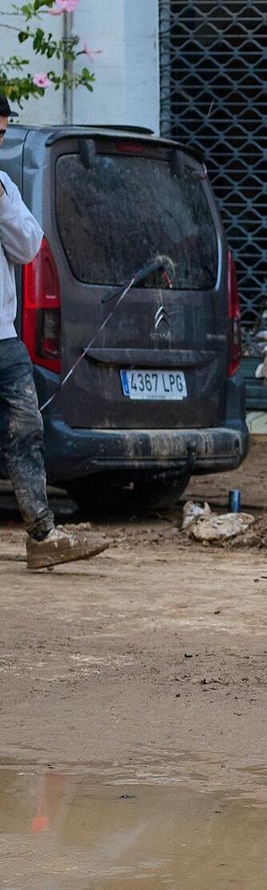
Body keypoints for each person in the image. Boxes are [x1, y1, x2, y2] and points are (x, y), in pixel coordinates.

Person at [0, 96, 106, 571]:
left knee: (27, 427)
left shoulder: (3, 186)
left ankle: (42, 535)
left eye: (0, 135)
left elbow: (27, 247)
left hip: (3, 337)